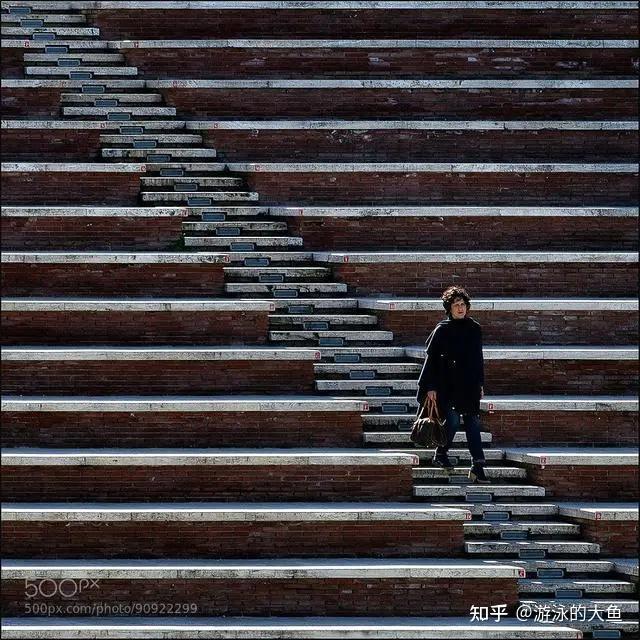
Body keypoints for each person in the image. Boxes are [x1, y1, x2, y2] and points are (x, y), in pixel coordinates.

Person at [415, 285, 489, 484]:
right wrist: (430, 386)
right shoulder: (442, 330)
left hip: (469, 385)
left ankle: (478, 465)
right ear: (449, 308)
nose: (460, 308)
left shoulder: (475, 329)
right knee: (454, 421)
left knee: (473, 423)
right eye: (456, 305)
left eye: (463, 304)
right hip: (447, 385)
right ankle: (441, 452)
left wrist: (480, 383)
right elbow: (431, 361)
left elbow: (478, 359)